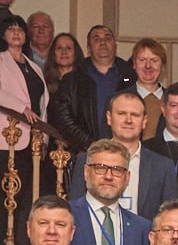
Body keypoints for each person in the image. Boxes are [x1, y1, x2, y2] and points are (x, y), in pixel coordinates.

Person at [0, 14, 49, 245]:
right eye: (11, 29)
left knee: (23, 193)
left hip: (31, 138)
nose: (16, 32)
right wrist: (21, 108)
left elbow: (42, 106)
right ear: (3, 34)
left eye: (20, 28)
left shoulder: (33, 66)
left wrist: (43, 138)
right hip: (4, 136)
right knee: (0, 190)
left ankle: (17, 238)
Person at [66, 89, 178, 221]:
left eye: (135, 115)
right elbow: (76, 212)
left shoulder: (163, 166)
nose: (128, 120)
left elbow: (171, 218)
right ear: (109, 118)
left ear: (144, 121)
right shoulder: (86, 159)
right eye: (121, 113)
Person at [66, 139, 153, 245]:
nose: (108, 176)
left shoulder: (142, 229)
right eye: (100, 168)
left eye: (117, 170)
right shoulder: (65, 217)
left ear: (127, 178)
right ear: (86, 172)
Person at [48, 25, 134, 154]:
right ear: (89, 49)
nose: (102, 42)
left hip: (124, 151)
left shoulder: (130, 76)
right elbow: (64, 119)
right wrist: (91, 144)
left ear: (115, 46)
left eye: (107, 38)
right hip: (85, 152)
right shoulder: (73, 79)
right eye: (96, 39)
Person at [129, 38, 167, 140]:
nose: (148, 66)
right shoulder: (118, 100)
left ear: (162, 65)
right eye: (142, 60)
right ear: (134, 64)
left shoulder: (173, 101)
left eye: (154, 60)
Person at [43, 32, 83, 99]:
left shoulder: (85, 81)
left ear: (76, 52)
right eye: (59, 48)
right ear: (53, 53)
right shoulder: (44, 81)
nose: (64, 52)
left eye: (68, 48)